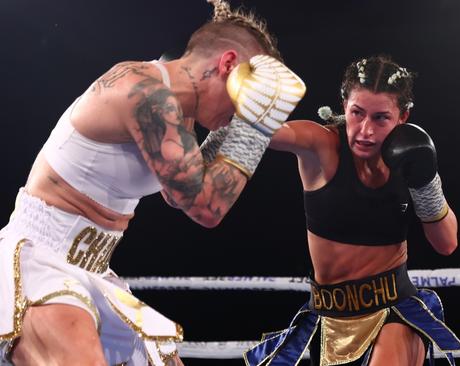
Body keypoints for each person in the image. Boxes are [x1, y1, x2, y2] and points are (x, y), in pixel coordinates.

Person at [0, 0, 306, 364]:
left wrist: (244, 124)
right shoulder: (147, 94)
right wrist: (255, 126)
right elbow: (206, 207)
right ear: (227, 66)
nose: (233, 119)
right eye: (246, 99)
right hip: (40, 258)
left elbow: (177, 196)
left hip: (91, 268)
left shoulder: (178, 110)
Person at [239, 55, 460, 365]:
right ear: (344, 104)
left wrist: (425, 183)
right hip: (328, 320)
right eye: (357, 113)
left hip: (395, 311)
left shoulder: (412, 159)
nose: (365, 131)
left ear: (403, 116)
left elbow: (447, 243)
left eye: (381, 118)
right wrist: (232, 86)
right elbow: (265, 131)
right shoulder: (321, 146)